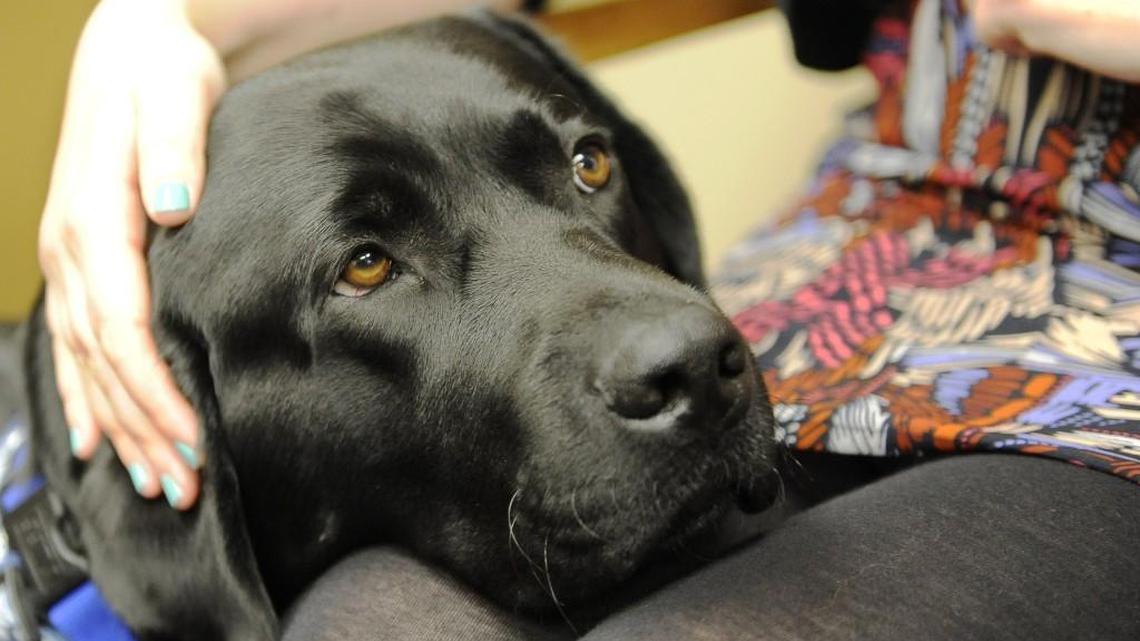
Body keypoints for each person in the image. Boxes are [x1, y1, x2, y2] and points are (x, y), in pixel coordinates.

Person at [36, 0, 1140, 638]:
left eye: (583, 165)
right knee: (374, 620)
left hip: (1109, 345)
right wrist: (150, 19)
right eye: (368, 265)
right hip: (858, 281)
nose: (671, 331)